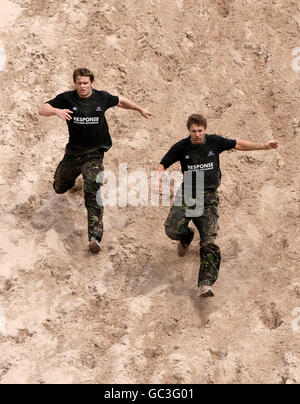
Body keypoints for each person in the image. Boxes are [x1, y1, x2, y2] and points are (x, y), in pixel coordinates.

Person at [156, 114, 279, 297]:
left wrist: (263, 146)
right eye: (193, 131)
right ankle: (187, 235)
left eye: (200, 131)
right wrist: (157, 180)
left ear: (205, 129)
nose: (197, 134)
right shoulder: (182, 147)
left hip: (209, 197)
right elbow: (162, 163)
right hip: (188, 194)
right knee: (171, 229)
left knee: (209, 241)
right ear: (189, 131)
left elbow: (238, 144)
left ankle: (205, 283)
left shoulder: (214, 142)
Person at [39, 68, 152, 254]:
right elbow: (42, 108)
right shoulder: (67, 98)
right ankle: (74, 182)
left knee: (92, 190)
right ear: (74, 83)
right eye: (79, 83)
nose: (82, 86)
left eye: (85, 83)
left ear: (91, 82)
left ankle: (95, 237)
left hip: (94, 154)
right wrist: (56, 111)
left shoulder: (101, 97)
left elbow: (121, 101)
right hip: (73, 154)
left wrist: (140, 109)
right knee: (59, 187)